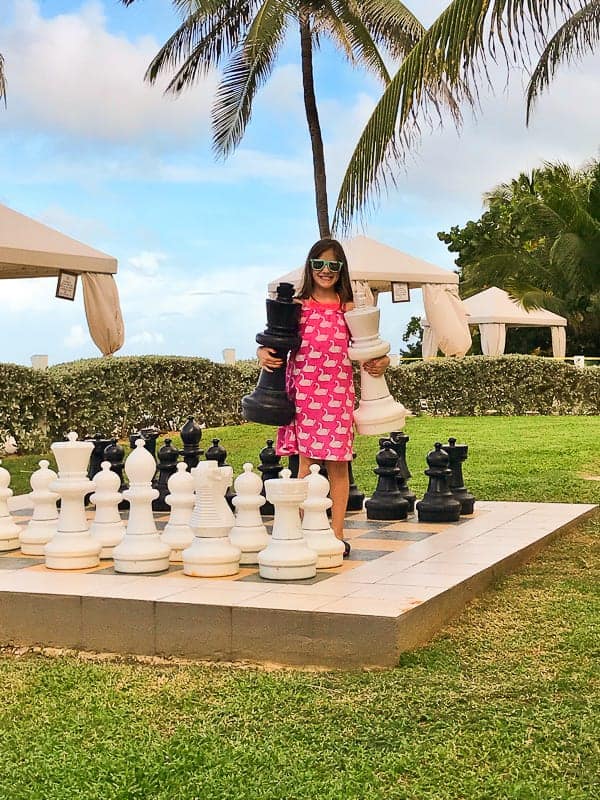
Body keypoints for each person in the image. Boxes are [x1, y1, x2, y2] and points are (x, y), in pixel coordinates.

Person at [257, 238, 389, 557]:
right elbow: (273, 339)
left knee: (338, 464)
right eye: (319, 264)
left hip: (338, 391)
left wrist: (381, 361)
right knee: (307, 462)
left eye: (333, 265)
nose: (326, 271)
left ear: (341, 269)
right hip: (304, 391)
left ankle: (337, 532)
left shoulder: (349, 309)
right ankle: (304, 531)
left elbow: (371, 345)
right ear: (310, 266)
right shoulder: (298, 307)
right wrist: (263, 352)